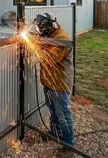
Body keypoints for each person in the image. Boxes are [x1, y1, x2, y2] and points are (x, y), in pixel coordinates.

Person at [33, 13, 75, 158]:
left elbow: (48, 58)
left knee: (62, 113)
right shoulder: (50, 34)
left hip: (60, 82)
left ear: (48, 27)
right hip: (50, 80)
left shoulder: (62, 40)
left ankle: (69, 145)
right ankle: (54, 133)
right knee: (53, 109)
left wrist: (37, 46)